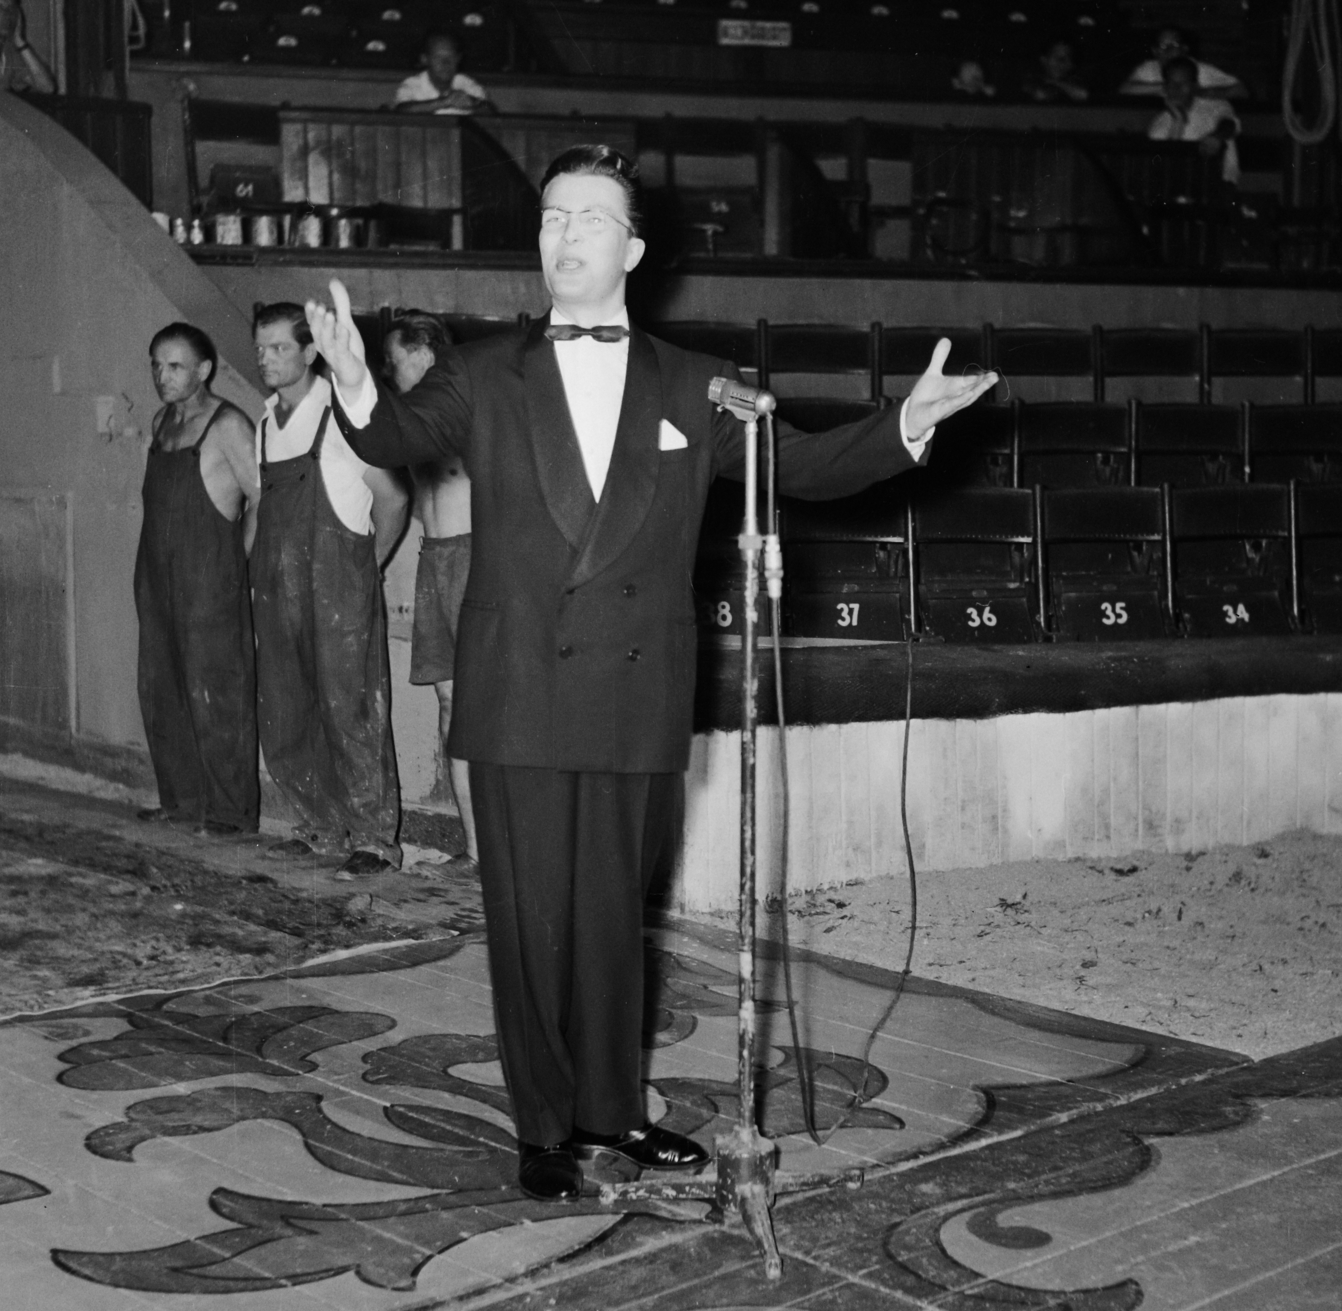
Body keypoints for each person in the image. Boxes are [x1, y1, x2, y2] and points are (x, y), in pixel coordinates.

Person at [304, 144, 998, 1203]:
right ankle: (545, 1128)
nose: (565, 235)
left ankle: (613, 1113)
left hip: (634, 692)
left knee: (613, 918)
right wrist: (353, 378)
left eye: (590, 218)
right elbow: (393, 430)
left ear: (633, 249)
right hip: (521, 689)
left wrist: (904, 424)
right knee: (531, 925)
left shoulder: (696, 382)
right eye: (552, 217)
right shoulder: (485, 370)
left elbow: (802, 466)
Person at [250, 303, 410, 878]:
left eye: (279, 348)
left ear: (311, 351)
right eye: (260, 348)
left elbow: (393, 497)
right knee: (287, 708)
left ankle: (373, 840)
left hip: (338, 587)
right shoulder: (265, 425)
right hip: (278, 589)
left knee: (351, 711)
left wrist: (367, 566)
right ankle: (319, 827)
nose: (266, 359)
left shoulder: (340, 414)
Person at [134, 324, 261, 836]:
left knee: (218, 693)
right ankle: (181, 801)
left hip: (209, 576)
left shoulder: (228, 425)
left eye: (174, 366)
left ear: (204, 370)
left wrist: (236, 562)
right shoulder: (162, 421)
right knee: (161, 688)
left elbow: (263, 498)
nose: (161, 376)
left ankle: (230, 814)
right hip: (155, 575)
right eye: (156, 365)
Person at [385, 310, 479, 874]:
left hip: (474, 558)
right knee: (449, 704)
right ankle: (476, 851)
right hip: (434, 560)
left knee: (480, 707)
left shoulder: (471, 406)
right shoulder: (413, 421)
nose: (391, 373)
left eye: (395, 361)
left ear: (423, 353)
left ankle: (505, 851)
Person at [1149, 56, 1240, 184]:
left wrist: (1216, 137)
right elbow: (1166, 167)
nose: (1176, 88)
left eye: (1183, 83)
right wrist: (1178, 121)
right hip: (1179, 186)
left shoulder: (1216, 106)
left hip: (1220, 185)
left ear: (1195, 86)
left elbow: (1229, 124)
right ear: (1164, 87)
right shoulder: (1159, 122)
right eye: (1171, 83)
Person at [1120, 26, 1243, 99]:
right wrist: (1166, 88)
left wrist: (1204, 93)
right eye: (1163, 46)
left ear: (1184, 49)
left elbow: (1241, 90)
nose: (1168, 50)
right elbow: (1124, 90)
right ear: (1155, 51)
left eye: (1174, 45)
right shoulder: (1148, 68)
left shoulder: (1199, 69)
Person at [394, 31, 494, 115]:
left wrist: (473, 103)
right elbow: (401, 111)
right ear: (425, 59)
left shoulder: (467, 84)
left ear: (458, 59)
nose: (446, 63)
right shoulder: (412, 84)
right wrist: (445, 102)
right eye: (438, 57)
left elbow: (491, 113)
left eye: (451, 57)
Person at [1024, 39, 1089, 103]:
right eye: (1059, 58)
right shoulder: (1032, 79)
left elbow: (1083, 94)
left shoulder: (1075, 79)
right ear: (1044, 60)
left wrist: (1055, 83)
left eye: (1068, 59)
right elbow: (1039, 94)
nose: (1064, 64)